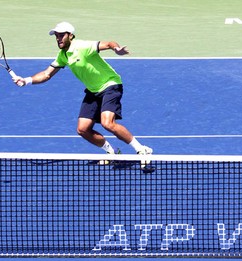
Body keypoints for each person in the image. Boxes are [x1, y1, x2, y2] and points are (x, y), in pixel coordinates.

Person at [12, 22, 153, 167]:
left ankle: (142, 150)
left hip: (110, 84)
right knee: (83, 129)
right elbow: (47, 74)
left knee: (107, 123)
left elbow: (109, 43)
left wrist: (116, 49)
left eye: (61, 35)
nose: (58, 38)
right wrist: (26, 80)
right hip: (93, 90)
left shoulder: (82, 46)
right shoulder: (63, 55)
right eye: (56, 36)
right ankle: (113, 153)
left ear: (70, 35)